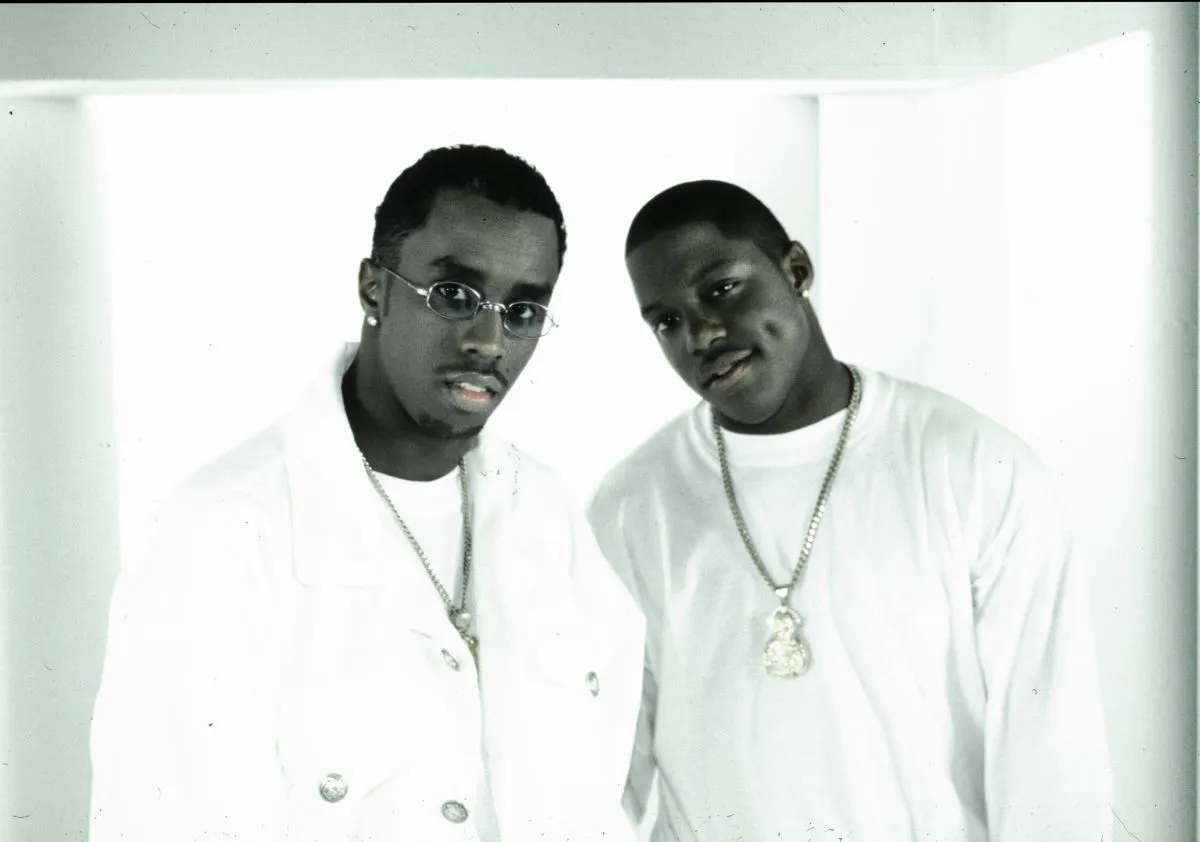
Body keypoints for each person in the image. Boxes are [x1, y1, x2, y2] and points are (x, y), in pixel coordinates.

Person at [89, 144, 646, 842]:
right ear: (373, 288)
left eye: (523, 310)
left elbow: (596, 805)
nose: (488, 339)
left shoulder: (546, 514)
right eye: (454, 295)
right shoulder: (224, 527)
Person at [586, 179, 1114, 841]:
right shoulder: (630, 505)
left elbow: (1051, 751)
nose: (701, 334)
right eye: (665, 320)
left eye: (721, 289)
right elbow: (600, 774)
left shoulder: (974, 465)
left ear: (796, 270)